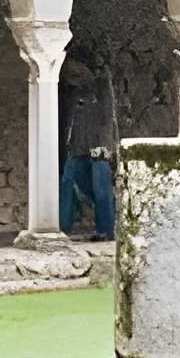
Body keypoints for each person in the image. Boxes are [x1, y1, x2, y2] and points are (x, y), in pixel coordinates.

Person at [57, 47, 120, 239]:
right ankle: (62, 227)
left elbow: (108, 117)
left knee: (101, 188)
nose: (71, 76)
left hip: (99, 147)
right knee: (68, 181)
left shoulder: (101, 86)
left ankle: (105, 231)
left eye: (75, 72)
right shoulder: (72, 91)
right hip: (77, 147)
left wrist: (105, 145)